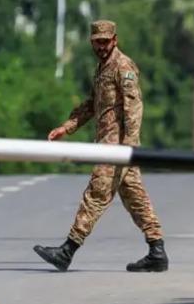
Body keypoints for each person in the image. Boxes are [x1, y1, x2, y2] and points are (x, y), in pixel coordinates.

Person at [33, 20, 167, 272]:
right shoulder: (102, 68)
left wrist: (128, 148)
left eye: (106, 42)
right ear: (92, 42)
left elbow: (133, 108)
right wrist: (67, 126)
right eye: (98, 42)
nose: (102, 47)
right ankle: (157, 251)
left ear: (115, 40)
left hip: (118, 148)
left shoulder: (122, 65)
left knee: (96, 194)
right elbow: (93, 104)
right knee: (136, 199)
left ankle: (68, 250)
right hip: (112, 145)